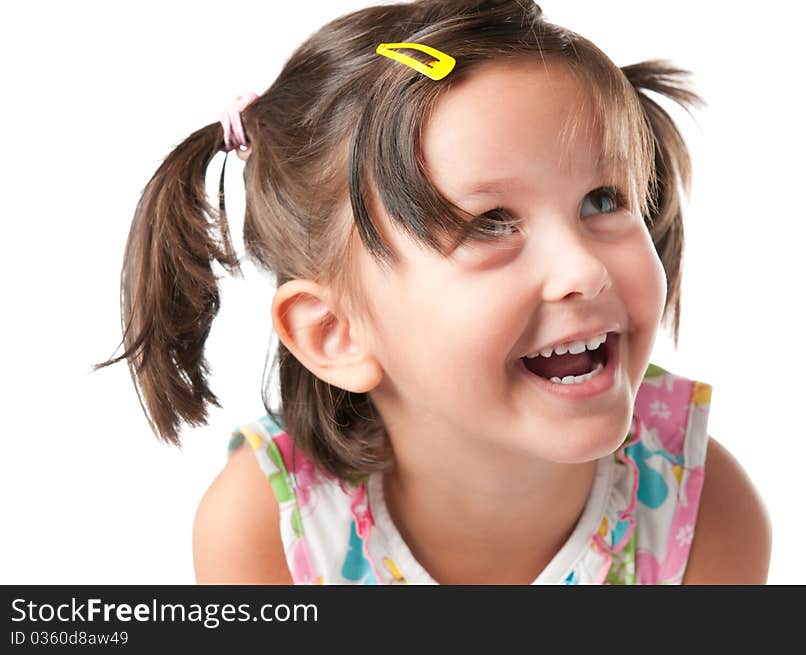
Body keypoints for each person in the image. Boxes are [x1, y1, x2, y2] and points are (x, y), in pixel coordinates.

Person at [97, 0, 771, 584]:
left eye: (603, 198)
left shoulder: (701, 511)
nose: (586, 270)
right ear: (336, 333)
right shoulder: (264, 531)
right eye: (491, 223)